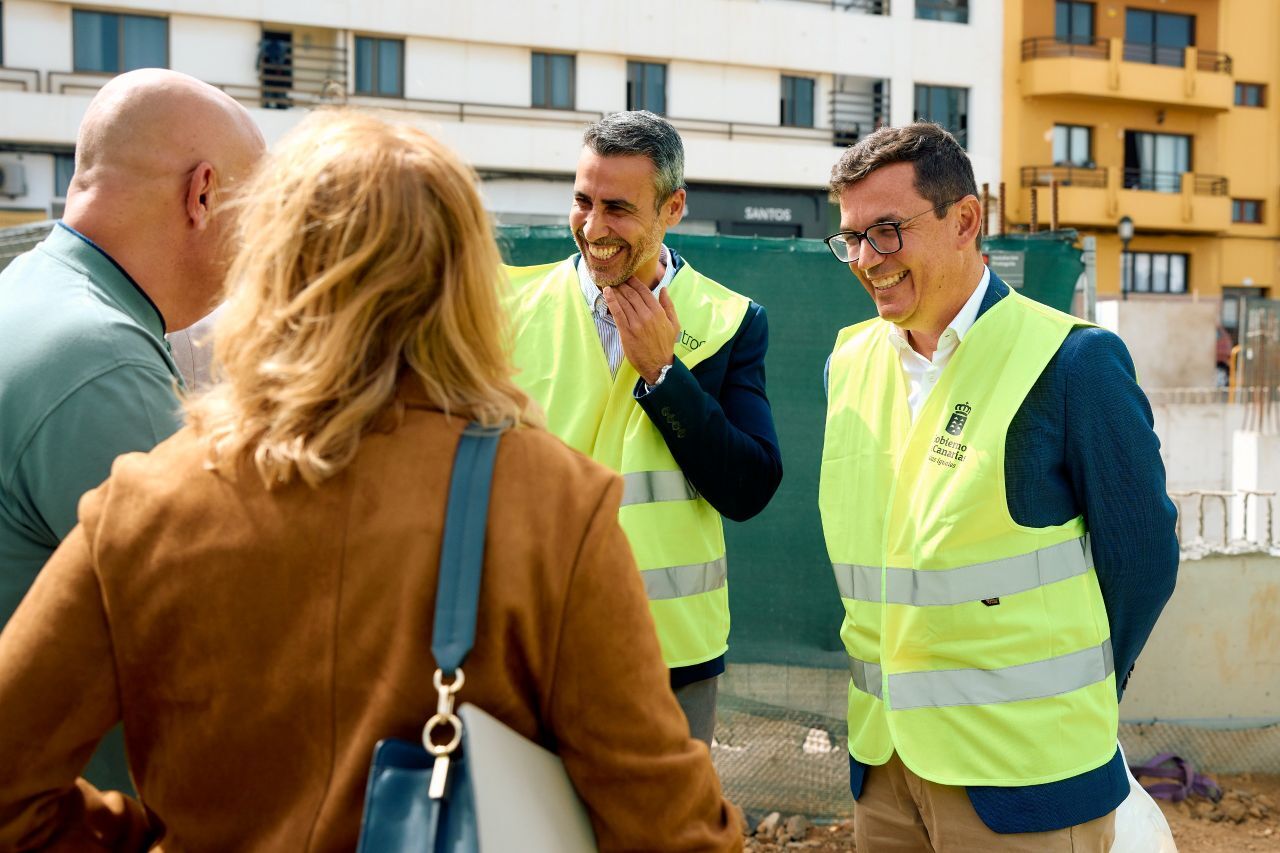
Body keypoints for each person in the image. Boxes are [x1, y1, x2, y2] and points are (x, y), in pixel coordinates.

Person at [0, 110, 741, 852]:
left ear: (269, 269)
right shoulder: (556, 507)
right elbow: (672, 829)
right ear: (465, 280)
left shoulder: (144, 502)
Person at [818, 122, 1179, 851]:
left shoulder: (1073, 362)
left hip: (1029, 779)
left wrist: (1081, 691)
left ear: (965, 221)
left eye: (886, 231)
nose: (865, 259)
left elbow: (1143, 562)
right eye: (851, 238)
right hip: (885, 770)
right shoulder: (847, 362)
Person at [0, 68, 264, 790]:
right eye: (259, 214)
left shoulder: (29, 290)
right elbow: (223, 639)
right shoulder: (101, 356)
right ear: (202, 194)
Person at [505, 111, 782, 744]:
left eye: (618, 209)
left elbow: (749, 488)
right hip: (532, 650)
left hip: (670, 662)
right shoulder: (509, 308)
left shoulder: (731, 321)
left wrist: (664, 372)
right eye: (583, 201)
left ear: (673, 208)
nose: (593, 228)